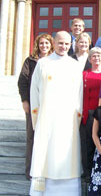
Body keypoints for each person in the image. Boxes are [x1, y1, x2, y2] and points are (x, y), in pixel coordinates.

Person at [29, 31, 83, 196]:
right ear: (54, 42)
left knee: (66, 155)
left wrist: (76, 117)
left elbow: (79, 94)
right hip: (46, 118)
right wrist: (37, 119)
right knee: (45, 154)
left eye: (67, 44)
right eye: (60, 43)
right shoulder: (43, 63)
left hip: (68, 120)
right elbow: (34, 91)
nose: (64, 46)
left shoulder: (75, 65)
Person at [18, 33, 54, 180]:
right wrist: (25, 101)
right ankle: (30, 171)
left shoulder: (54, 61)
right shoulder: (30, 61)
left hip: (50, 106)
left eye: (47, 43)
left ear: (51, 45)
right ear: (37, 45)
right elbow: (22, 81)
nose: (44, 46)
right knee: (31, 137)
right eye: (41, 43)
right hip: (34, 105)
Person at [80, 47, 101, 182]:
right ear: (89, 59)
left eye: (99, 56)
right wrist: (84, 114)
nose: (96, 58)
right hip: (89, 112)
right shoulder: (84, 74)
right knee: (88, 144)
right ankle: (88, 173)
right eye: (93, 56)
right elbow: (82, 94)